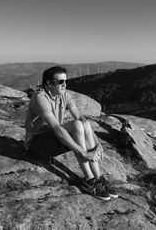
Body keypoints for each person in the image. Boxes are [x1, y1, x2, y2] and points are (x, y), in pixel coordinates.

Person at [24, 65, 118, 200]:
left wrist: (97, 143)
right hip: (36, 145)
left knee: (83, 123)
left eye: (65, 81)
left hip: (51, 139)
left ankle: (97, 178)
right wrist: (84, 153)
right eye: (61, 82)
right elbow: (56, 128)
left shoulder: (64, 95)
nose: (65, 85)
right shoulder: (40, 97)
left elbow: (81, 118)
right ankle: (88, 180)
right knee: (76, 126)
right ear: (49, 83)